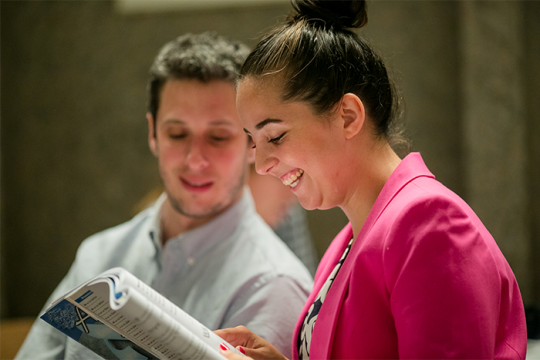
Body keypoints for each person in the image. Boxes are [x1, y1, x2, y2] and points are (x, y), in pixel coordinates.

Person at [215, 1, 528, 359]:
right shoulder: (347, 240)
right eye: (253, 142)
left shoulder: (429, 223)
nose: (262, 165)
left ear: (348, 116)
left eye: (275, 137)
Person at [16, 32, 313, 360]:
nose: (195, 159)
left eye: (218, 136)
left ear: (252, 143)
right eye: (177, 133)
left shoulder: (273, 286)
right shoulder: (97, 257)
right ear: (153, 134)